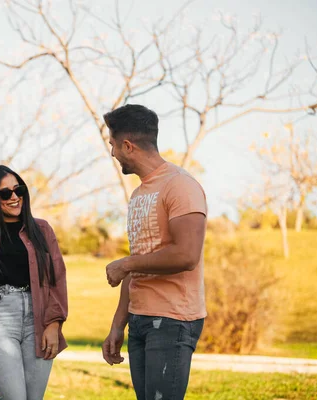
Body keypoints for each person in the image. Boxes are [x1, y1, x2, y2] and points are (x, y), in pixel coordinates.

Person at [101, 104, 207, 400]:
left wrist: (125, 264)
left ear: (127, 145)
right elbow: (138, 264)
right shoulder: (139, 194)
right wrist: (117, 325)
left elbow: (186, 255)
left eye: (112, 145)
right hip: (140, 319)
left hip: (172, 320)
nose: (112, 153)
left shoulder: (180, 186)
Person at [0, 165, 68, 400]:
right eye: (5, 193)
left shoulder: (41, 229)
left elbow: (57, 278)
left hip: (39, 317)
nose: (14, 197)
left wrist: (54, 323)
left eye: (18, 190)